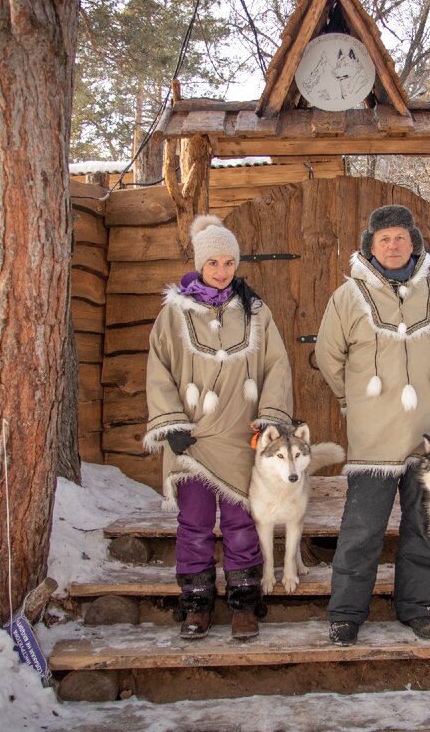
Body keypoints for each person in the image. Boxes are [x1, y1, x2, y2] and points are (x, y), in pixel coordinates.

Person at [315, 204, 430, 646]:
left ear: (414, 244)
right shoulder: (347, 296)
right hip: (375, 437)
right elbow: (328, 357)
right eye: (384, 239)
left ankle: (417, 607)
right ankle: (346, 613)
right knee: (362, 530)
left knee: (425, 527)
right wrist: (354, 400)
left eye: (400, 238)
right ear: (371, 246)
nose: (392, 245)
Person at [143, 214, 294, 641]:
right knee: (193, 524)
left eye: (229, 263)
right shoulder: (173, 313)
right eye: (215, 263)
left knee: (240, 522)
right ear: (200, 263)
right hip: (189, 437)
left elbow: (276, 364)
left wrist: (269, 419)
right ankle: (196, 604)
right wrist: (171, 422)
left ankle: (244, 604)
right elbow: (159, 369)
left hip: (238, 436)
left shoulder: (254, 310)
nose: (223, 271)